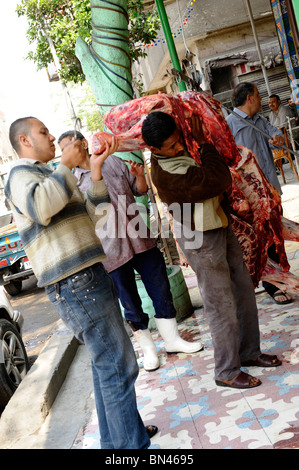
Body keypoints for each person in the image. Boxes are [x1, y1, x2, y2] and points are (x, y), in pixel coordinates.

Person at [5, 116, 157, 449]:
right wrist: (65, 164)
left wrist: (97, 169)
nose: (51, 138)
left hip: (88, 277)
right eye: (43, 133)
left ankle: (117, 443)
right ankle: (132, 449)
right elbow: (42, 207)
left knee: (110, 366)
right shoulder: (21, 175)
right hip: (76, 282)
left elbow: (96, 213)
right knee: (119, 364)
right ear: (24, 141)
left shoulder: (50, 175)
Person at [141, 110, 282, 390]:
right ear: (154, 150)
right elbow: (219, 180)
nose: (180, 146)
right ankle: (227, 370)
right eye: (171, 146)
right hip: (200, 236)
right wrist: (203, 143)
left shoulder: (173, 153)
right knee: (221, 304)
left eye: (178, 139)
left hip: (217, 223)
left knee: (242, 288)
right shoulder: (166, 174)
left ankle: (249, 352)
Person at [58, 130, 202, 372]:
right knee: (129, 301)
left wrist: (140, 175)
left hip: (140, 237)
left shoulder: (113, 161)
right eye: (61, 150)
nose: (64, 153)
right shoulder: (72, 183)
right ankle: (148, 350)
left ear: (82, 143)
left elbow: (139, 190)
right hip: (110, 250)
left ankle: (172, 340)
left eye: (66, 147)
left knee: (160, 287)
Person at [226, 82, 292, 305]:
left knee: (277, 236)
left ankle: (280, 278)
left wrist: (278, 140)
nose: (262, 99)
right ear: (249, 99)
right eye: (258, 95)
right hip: (251, 197)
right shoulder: (230, 125)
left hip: (271, 189)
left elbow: (274, 136)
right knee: (263, 240)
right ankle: (271, 285)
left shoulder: (260, 120)